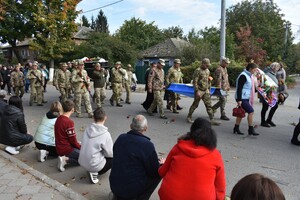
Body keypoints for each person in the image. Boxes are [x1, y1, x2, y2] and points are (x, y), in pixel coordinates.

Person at [158, 117, 226, 200]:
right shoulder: (215, 155)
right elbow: (220, 188)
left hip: (169, 196)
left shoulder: (178, 147)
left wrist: (163, 164)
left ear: (192, 131)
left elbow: (162, 172)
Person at [109, 115, 164, 200]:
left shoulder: (121, 138)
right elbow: (153, 170)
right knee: (159, 172)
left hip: (115, 185)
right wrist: (160, 164)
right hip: (131, 190)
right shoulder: (147, 145)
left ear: (131, 126)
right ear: (145, 128)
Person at [78, 107, 113, 184]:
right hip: (93, 164)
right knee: (114, 158)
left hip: (82, 161)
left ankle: (92, 168)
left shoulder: (87, 129)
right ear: (105, 118)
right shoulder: (105, 134)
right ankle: (95, 172)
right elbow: (110, 154)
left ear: (93, 118)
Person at [187, 58, 220, 125]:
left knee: (209, 105)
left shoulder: (207, 71)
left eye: (208, 65)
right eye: (206, 65)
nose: (207, 66)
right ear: (203, 64)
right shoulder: (198, 70)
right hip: (199, 90)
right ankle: (189, 116)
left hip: (206, 90)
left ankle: (212, 119)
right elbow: (195, 82)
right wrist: (197, 91)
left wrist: (209, 89)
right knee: (195, 105)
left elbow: (208, 81)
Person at [54, 100, 81, 172]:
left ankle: (64, 158)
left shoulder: (58, 118)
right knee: (86, 158)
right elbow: (73, 141)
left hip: (59, 146)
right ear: (72, 110)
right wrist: (80, 148)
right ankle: (66, 160)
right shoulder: (69, 122)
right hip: (67, 149)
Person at [233, 62, 259, 136]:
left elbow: (249, 87)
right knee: (251, 111)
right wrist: (239, 100)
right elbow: (239, 88)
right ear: (250, 69)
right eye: (254, 70)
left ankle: (236, 128)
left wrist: (257, 89)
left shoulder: (249, 76)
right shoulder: (243, 76)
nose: (255, 71)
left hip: (246, 97)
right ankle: (251, 129)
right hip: (242, 97)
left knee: (241, 112)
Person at [260, 62, 281, 127]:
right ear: (274, 68)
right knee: (265, 107)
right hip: (267, 94)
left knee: (274, 106)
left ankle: (269, 120)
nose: (278, 69)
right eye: (278, 68)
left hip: (272, 94)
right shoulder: (268, 74)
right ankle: (263, 121)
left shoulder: (274, 74)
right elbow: (264, 84)